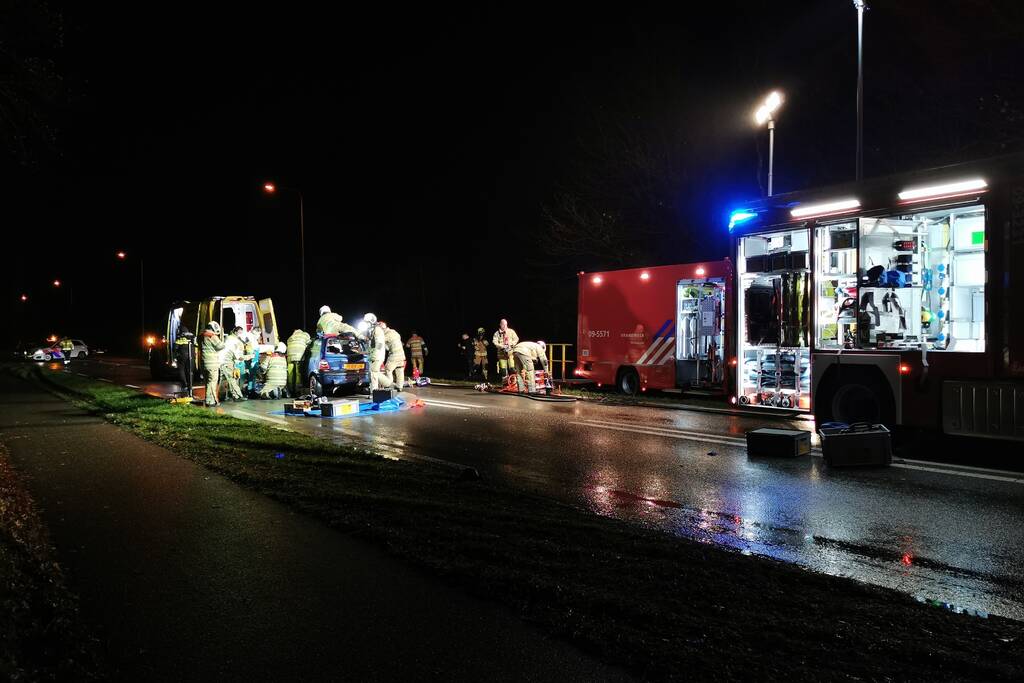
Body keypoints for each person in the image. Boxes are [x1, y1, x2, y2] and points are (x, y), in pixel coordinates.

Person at [200, 322, 225, 406]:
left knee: (207, 382)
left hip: (204, 362)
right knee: (212, 382)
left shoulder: (201, 336)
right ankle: (211, 401)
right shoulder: (212, 336)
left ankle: (208, 399)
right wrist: (222, 340)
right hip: (212, 363)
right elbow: (220, 346)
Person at [220, 327, 246, 401]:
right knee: (232, 379)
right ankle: (237, 396)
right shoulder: (233, 340)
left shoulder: (231, 339)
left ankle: (223, 395)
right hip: (227, 361)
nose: (240, 334)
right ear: (235, 332)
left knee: (225, 379)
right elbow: (238, 355)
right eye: (239, 332)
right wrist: (248, 356)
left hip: (225, 361)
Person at [380, 321, 406, 391]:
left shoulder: (386, 335)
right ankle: (399, 386)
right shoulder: (395, 332)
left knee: (388, 369)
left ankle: (388, 385)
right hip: (402, 355)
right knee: (399, 370)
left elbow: (379, 343)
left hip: (394, 355)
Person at [364, 313, 387, 391]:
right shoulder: (372, 330)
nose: (366, 324)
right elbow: (372, 346)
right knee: (373, 373)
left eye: (367, 322)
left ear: (371, 321)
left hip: (377, 356)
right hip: (374, 355)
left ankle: (374, 391)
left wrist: (374, 355)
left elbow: (379, 344)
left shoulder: (377, 329)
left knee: (374, 373)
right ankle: (374, 389)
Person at [285, 328, 311, 396]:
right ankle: (297, 391)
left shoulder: (291, 337)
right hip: (298, 356)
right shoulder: (304, 335)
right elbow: (309, 343)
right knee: (298, 373)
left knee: (290, 374)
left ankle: (290, 390)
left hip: (290, 357)